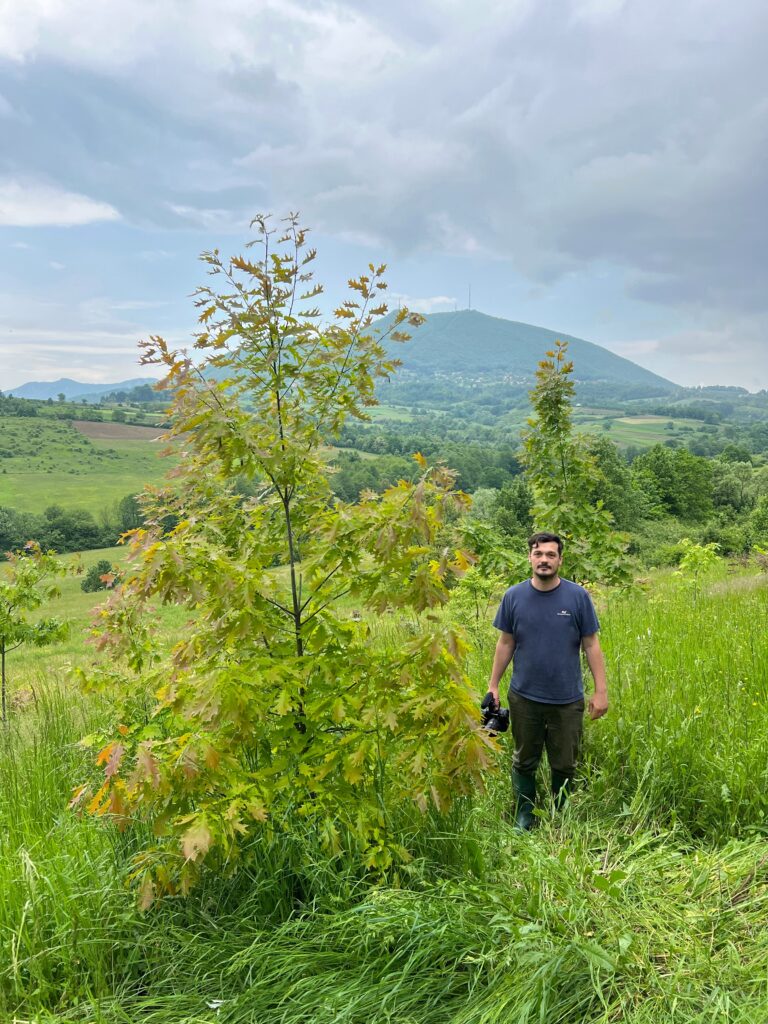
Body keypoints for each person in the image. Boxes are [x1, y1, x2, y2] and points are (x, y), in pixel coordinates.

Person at [486, 531, 608, 830]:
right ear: (530, 557)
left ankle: (561, 812)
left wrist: (600, 691)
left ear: (560, 560)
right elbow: (505, 643)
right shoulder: (514, 596)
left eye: (550, 555)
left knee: (564, 762)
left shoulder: (577, 597)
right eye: (538, 554)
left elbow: (591, 644)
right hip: (524, 696)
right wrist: (493, 685)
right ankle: (524, 814)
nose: (544, 560)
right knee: (524, 759)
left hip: (567, 699)